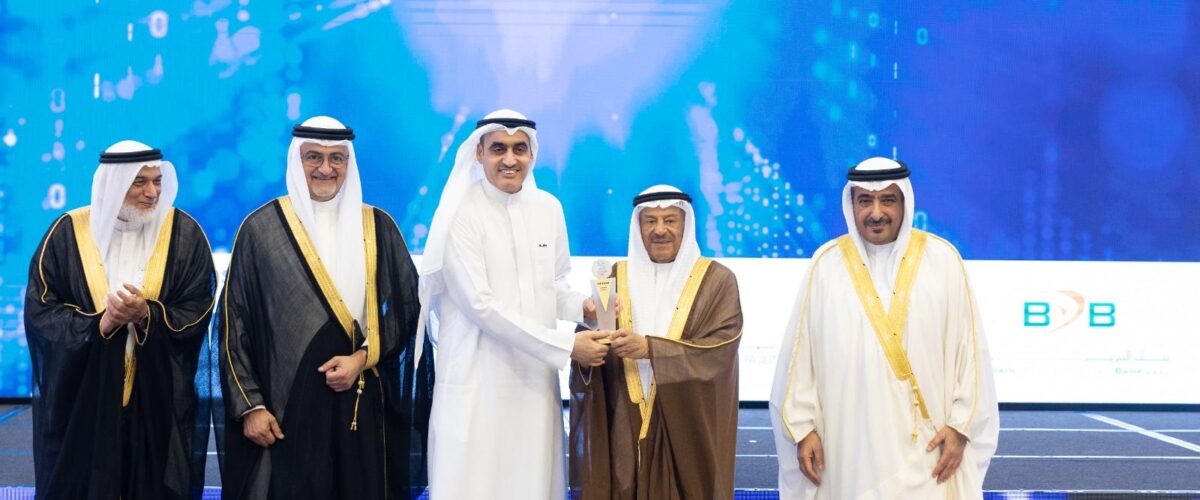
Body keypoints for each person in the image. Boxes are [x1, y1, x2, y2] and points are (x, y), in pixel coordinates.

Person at [218, 116, 432, 499]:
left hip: (360, 401)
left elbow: (406, 309)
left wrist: (361, 359)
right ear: (295, 161)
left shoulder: (378, 227)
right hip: (285, 407)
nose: (325, 168)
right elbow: (234, 325)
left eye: (337, 158)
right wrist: (250, 406)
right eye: (313, 157)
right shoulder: (261, 229)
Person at [769, 157, 999, 498]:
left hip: (928, 448)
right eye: (865, 201)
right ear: (851, 205)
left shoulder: (943, 261)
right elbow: (801, 357)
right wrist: (802, 429)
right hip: (847, 448)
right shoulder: (826, 265)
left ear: (905, 202)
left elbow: (972, 353)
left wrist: (961, 426)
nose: (876, 213)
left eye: (887, 200)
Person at [420, 109, 608, 499]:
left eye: (519, 149)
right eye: (498, 149)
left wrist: (585, 308)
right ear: (479, 153)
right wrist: (568, 346)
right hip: (477, 380)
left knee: (531, 483)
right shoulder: (460, 214)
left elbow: (551, 287)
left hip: (534, 382)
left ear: (531, 154)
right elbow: (481, 306)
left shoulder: (548, 209)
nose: (510, 159)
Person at [25, 141, 216, 499]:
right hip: (83, 398)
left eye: (157, 181)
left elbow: (198, 305)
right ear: (113, 185)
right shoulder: (68, 233)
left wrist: (147, 315)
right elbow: (42, 312)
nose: (152, 193)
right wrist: (100, 324)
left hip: (156, 396)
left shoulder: (183, 232)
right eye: (139, 182)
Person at [568, 185, 743, 499]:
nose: (660, 230)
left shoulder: (718, 280)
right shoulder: (614, 278)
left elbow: (722, 347)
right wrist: (587, 348)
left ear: (685, 224)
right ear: (638, 227)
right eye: (650, 221)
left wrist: (651, 349)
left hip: (687, 422)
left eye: (670, 220)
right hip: (623, 416)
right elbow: (589, 338)